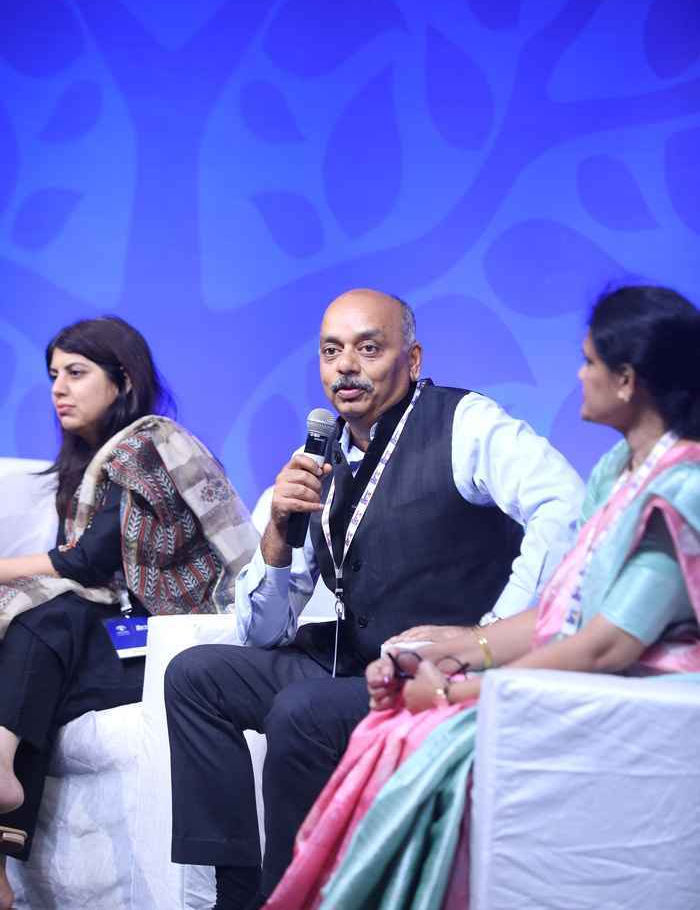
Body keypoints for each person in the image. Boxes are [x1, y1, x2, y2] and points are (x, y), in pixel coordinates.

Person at [264, 283, 700, 910]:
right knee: (367, 714)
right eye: (331, 351)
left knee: (385, 728)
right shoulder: (616, 470)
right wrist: (455, 652)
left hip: (627, 693)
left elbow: (606, 646)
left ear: (627, 381)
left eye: (588, 362)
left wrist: (456, 690)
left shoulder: (680, 488)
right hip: (565, 671)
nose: (578, 375)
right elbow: (561, 612)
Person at [164, 287, 584, 910]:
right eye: (331, 351)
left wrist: (491, 634)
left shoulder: (463, 422)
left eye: (368, 348)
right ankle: (238, 893)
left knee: (301, 711)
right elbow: (261, 633)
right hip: (348, 662)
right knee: (197, 676)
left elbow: (565, 503)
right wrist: (276, 533)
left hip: (433, 673)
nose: (346, 367)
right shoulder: (316, 458)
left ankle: (293, 899)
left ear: (412, 359)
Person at [0, 315, 258, 910]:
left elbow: (88, 562)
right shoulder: (88, 470)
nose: (58, 388)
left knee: (51, 619)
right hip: (114, 641)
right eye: (52, 375)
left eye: (76, 372)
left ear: (123, 380)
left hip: (174, 644)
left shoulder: (150, 446)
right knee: (41, 651)